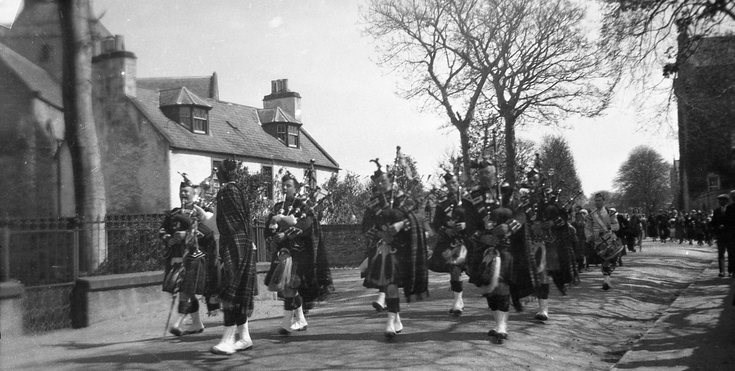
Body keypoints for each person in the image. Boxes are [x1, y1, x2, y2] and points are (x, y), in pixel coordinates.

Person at [362, 159, 429, 339]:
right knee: (390, 285)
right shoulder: (373, 203)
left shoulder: (404, 199)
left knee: (392, 286)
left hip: (403, 249)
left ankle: (394, 318)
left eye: (383, 181)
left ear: (391, 179)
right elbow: (366, 227)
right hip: (383, 249)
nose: (380, 185)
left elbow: (417, 219)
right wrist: (379, 234)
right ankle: (392, 320)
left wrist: (400, 225)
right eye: (377, 183)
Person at [264, 172, 333, 335]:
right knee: (289, 288)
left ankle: (287, 323)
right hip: (282, 252)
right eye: (283, 185)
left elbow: (307, 225)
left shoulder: (303, 206)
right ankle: (299, 319)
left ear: (296, 188)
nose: (285, 188)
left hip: (298, 252)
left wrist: (286, 234)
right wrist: (272, 231)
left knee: (290, 287)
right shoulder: (277, 207)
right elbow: (269, 226)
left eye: (288, 186)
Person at [465, 159, 521, 344]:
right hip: (484, 246)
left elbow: (521, 215)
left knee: (502, 283)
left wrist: (508, 227)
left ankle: (502, 326)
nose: (484, 177)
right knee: (489, 285)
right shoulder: (472, 197)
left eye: (487, 173)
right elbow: (469, 225)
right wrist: (481, 237)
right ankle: (498, 322)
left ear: (495, 173)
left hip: (506, 245)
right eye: (481, 174)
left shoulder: (508, 192)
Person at [210, 159, 258, 356]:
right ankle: (244, 337)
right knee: (238, 291)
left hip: (234, 246)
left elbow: (225, 224)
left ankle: (228, 339)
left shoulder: (226, 192)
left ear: (223, 174)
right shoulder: (237, 190)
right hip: (242, 244)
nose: (216, 175)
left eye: (217, 172)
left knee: (230, 290)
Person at [160, 177, 213, 337]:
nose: (183, 194)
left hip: (195, 256)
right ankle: (196, 323)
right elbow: (162, 230)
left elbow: (207, 233)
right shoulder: (173, 213)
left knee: (186, 289)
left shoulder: (201, 211)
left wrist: (187, 235)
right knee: (185, 290)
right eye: (181, 191)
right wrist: (169, 239)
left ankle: (178, 322)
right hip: (176, 257)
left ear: (194, 194)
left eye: (186, 191)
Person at [428, 171, 473, 316]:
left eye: (454, 182)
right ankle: (457, 301)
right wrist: (445, 230)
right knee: (454, 268)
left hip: (469, 240)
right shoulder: (443, 204)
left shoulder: (470, 200)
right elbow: (436, 224)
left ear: (458, 182)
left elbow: (478, 218)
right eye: (448, 184)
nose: (451, 186)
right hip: (451, 243)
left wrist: (467, 225)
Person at [585, 193, 621, 291]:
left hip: (610, 240)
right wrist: (589, 236)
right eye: (596, 201)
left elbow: (617, 226)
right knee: (604, 261)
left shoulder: (610, 213)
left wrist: (609, 228)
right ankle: (606, 280)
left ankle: (607, 278)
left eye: (599, 200)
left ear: (603, 201)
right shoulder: (591, 215)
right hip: (598, 242)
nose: (597, 202)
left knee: (612, 261)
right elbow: (587, 228)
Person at [711, 194, 730, 277]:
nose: (720, 202)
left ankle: (731, 271)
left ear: (727, 201)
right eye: (719, 200)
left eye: (722, 200)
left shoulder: (731, 209)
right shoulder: (716, 211)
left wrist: (726, 226)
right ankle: (722, 271)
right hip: (720, 235)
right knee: (721, 254)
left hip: (730, 235)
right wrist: (716, 228)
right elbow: (713, 222)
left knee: (731, 254)